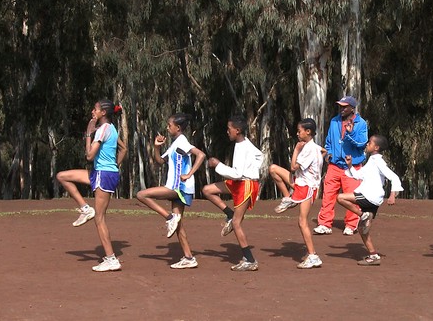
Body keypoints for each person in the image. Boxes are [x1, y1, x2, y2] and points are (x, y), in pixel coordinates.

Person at [56, 100, 127, 272]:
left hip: (103, 175)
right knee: (63, 176)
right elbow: (123, 149)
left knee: (100, 219)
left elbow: (89, 156)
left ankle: (111, 259)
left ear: (103, 112)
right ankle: (85, 208)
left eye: (95, 109)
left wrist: (88, 135)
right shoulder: (111, 128)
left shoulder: (102, 130)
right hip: (100, 173)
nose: (92, 112)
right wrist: (115, 167)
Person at [136, 113, 206, 269]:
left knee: (141, 194)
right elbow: (160, 161)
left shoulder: (182, 142)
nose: (167, 128)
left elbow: (201, 155)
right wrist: (156, 147)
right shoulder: (175, 144)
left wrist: (189, 174)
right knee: (178, 224)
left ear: (178, 127)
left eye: (169, 125)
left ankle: (168, 217)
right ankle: (189, 257)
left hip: (178, 188)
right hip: (178, 187)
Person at [202, 116, 264, 271]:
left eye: (229, 129)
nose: (227, 131)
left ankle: (249, 259)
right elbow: (260, 156)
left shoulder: (243, 147)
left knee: (237, 223)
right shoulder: (243, 144)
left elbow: (237, 173)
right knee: (207, 190)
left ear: (238, 130)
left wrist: (218, 165)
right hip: (239, 182)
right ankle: (228, 213)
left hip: (245, 184)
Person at [337, 135, 403, 266]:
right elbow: (358, 175)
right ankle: (373, 256)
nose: (367, 144)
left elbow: (394, 177)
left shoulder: (378, 161)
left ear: (376, 147)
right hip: (372, 198)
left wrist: (392, 195)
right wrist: (350, 165)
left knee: (340, 197)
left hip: (370, 196)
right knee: (362, 229)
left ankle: (363, 215)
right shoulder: (372, 160)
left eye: (370, 143)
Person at [269, 118, 325, 269]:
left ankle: (313, 256)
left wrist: (296, 150)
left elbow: (293, 167)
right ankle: (288, 198)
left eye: (299, 131)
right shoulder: (314, 147)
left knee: (302, 222)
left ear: (308, 132)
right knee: (273, 168)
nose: (297, 134)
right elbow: (324, 151)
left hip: (307, 188)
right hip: (301, 183)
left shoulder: (307, 149)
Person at [314, 96, 368, 236]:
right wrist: (329, 154)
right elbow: (329, 142)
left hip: (352, 167)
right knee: (328, 195)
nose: (342, 109)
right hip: (334, 165)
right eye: (340, 106)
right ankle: (324, 224)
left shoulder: (361, 123)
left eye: (345, 106)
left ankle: (351, 225)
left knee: (352, 197)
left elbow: (362, 144)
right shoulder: (334, 121)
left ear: (352, 108)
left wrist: (351, 133)